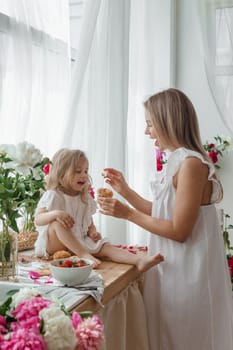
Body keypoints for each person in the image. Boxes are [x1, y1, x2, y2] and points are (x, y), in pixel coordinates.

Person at [97, 88, 233, 350]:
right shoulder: (176, 161)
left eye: (150, 124)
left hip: (189, 271)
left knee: (187, 338)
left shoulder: (191, 164)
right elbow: (163, 212)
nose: (147, 132)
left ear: (166, 121)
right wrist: (125, 191)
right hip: (172, 267)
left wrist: (126, 214)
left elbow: (179, 229)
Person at [34, 148, 164, 270]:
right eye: (78, 171)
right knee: (57, 224)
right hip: (55, 245)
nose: (84, 175)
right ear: (61, 175)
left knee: (106, 247)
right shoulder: (54, 195)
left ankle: (138, 260)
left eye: (86, 171)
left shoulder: (83, 198)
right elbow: (38, 220)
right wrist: (55, 214)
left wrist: (93, 232)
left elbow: (88, 222)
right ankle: (83, 254)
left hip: (78, 242)